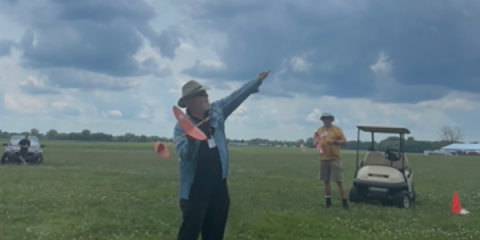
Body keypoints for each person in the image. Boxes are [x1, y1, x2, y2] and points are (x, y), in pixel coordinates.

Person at [173, 71, 270, 240]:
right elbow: (185, 157)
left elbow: (237, 96)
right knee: (188, 234)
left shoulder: (217, 111)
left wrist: (256, 81)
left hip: (219, 188)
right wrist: (190, 141)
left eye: (206, 93)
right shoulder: (181, 127)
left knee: (215, 234)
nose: (207, 96)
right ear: (191, 100)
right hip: (195, 191)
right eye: (203, 94)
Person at [314, 113, 348, 210]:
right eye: (324, 118)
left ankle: (344, 203)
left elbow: (344, 142)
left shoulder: (337, 130)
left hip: (334, 159)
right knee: (326, 181)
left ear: (331, 120)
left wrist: (334, 141)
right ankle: (328, 202)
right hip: (323, 159)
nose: (326, 120)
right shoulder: (319, 130)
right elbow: (316, 141)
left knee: (338, 181)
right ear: (322, 120)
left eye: (328, 118)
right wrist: (317, 145)